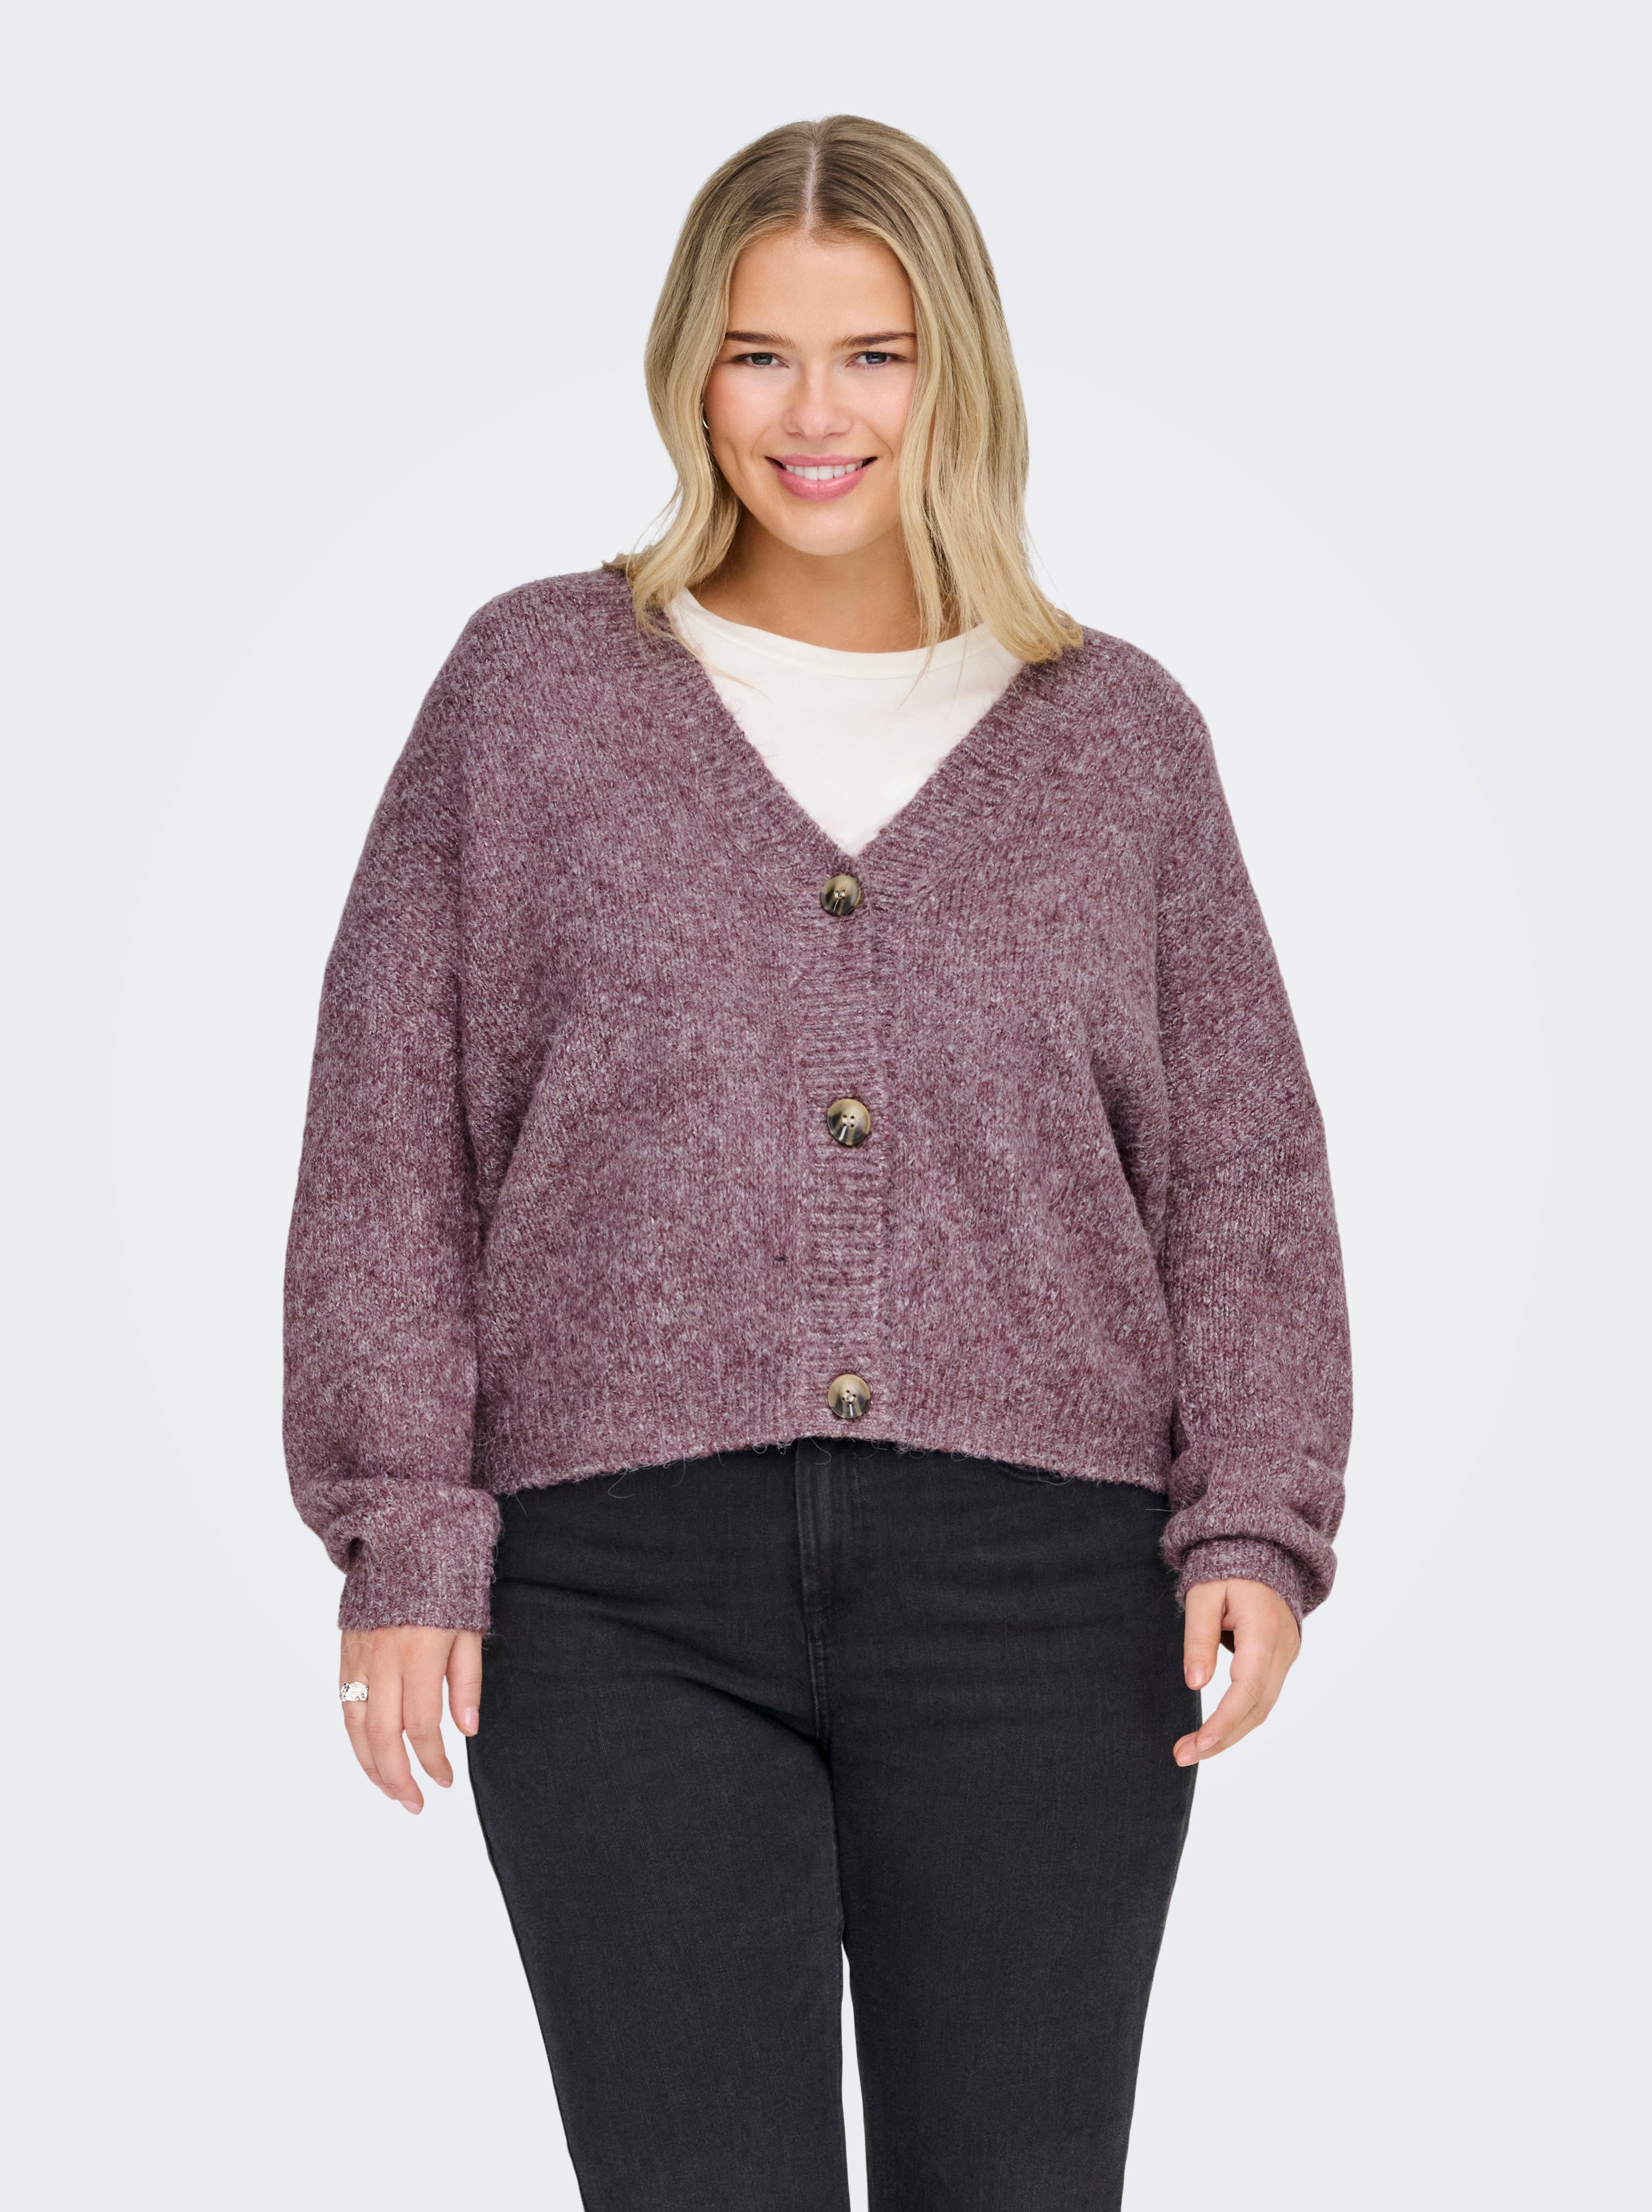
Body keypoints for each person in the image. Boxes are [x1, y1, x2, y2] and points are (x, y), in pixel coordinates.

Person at [284, 113, 1350, 2212]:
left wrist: (1257, 1508)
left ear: (958, 372)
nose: (813, 415)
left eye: (873, 354)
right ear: (689, 368)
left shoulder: (1116, 735)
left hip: (1043, 1591)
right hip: (614, 1595)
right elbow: (390, 1120)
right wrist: (404, 1524)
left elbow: (1240, 1159)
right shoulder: (534, 692)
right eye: (758, 353)